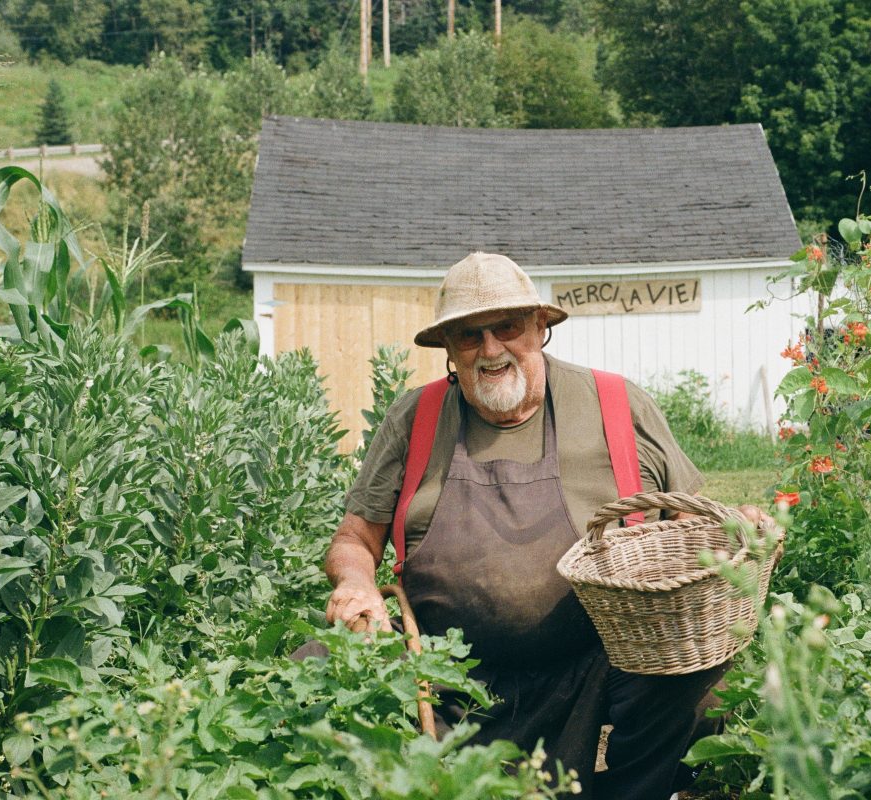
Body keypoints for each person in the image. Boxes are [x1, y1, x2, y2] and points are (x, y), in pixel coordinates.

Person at [323, 252, 767, 800]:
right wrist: (356, 583)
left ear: (540, 328)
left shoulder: (615, 405)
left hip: (601, 667)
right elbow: (354, 538)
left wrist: (733, 529)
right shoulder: (416, 418)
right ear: (449, 351)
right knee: (316, 667)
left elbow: (688, 525)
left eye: (507, 326)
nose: (490, 349)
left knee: (697, 681)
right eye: (469, 335)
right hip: (442, 674)